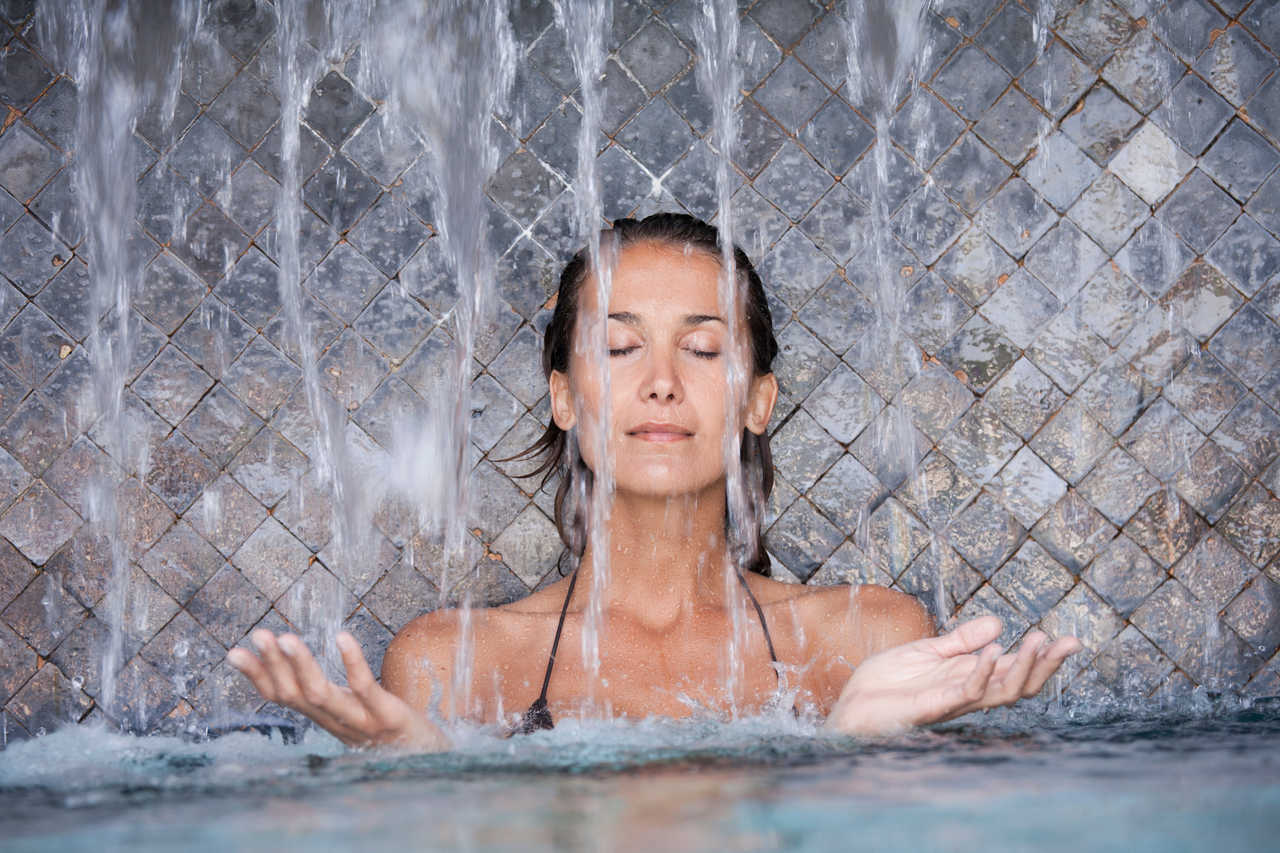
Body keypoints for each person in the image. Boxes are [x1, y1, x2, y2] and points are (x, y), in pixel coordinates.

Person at [227, 213, 1081, 751]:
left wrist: (861, 744)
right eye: (620, 346)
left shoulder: (869, 639)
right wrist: (417, 783)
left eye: (705, 349)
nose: (663, 381)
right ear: (565, 395)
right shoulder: (454, 661)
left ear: (756, 400)